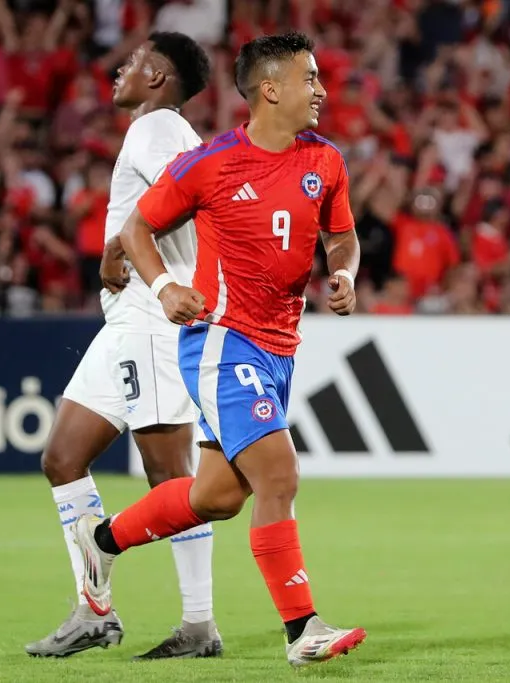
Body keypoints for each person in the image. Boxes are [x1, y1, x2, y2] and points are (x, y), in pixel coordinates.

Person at [70, 31, 367, 668]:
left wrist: (343, 274)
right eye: (309, 78)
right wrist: (165, 285)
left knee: (216, 498)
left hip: (281, 346)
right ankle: (302, 628)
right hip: (222, 341)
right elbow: (136, 227)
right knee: (279, 475)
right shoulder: (213, 161)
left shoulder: (326, 161)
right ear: (270, 90)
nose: (320, 90)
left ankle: (102, 542)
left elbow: (342, 238)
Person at [24, 32, 224, 661]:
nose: (121, 67)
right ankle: (94, 610)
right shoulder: (160, 129)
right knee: (62, 457)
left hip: (155, 323)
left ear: (160, 77)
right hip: (126, 322)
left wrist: (117, 247)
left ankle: (199, 624)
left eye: (136, 61)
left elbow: (187, 197)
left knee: (171, 475)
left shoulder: (158, 126)